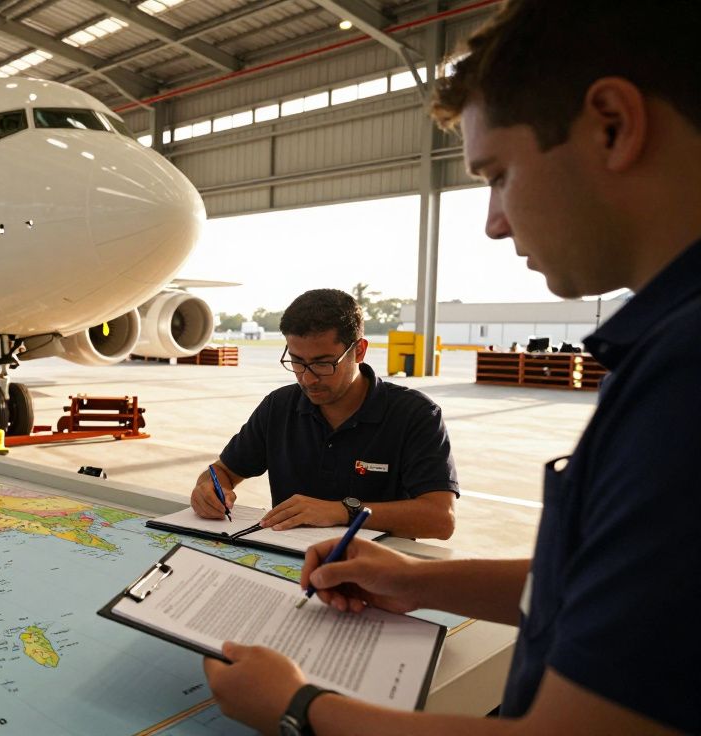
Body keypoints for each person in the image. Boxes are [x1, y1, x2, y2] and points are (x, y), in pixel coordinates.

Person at [202, 1, 701, 733]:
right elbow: (623, 593)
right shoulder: (667, 351)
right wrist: (414, 580)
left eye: (497, 174)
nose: (495, 221)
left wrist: (299, 706)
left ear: (612, 125)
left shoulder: (683, 380)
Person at [189, 288, 458, 540]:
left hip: (375, 572)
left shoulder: (415, 415)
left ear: (360, 350)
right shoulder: (279, 407)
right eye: (296, 361)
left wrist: (343, 512)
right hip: (290, 563)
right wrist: (208, 489)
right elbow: (223, 471)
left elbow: (440, 519)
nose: (307, 378)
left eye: (323, 363)